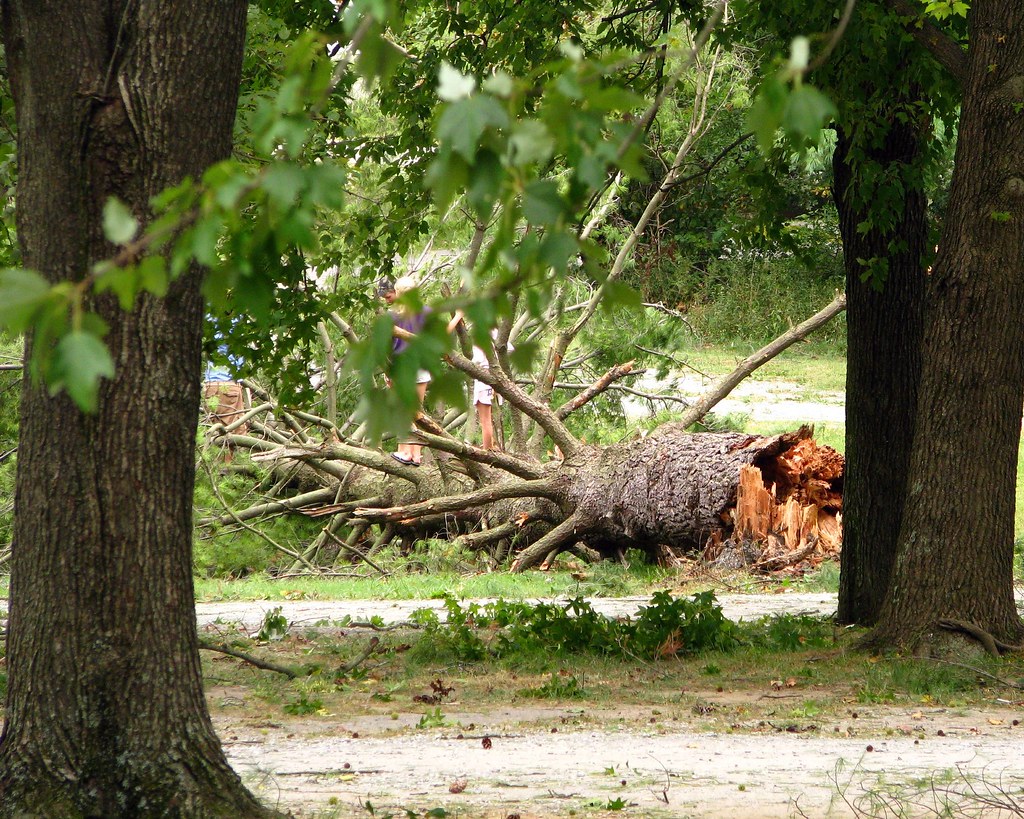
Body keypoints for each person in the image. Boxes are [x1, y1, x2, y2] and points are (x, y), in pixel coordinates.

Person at [202, 335, 248, 463]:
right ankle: (227, 473)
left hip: (210, 385)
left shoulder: (211, 317)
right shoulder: (237, 321)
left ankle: (213, 472)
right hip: (228, 385)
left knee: (214, 433)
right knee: (231, 435)